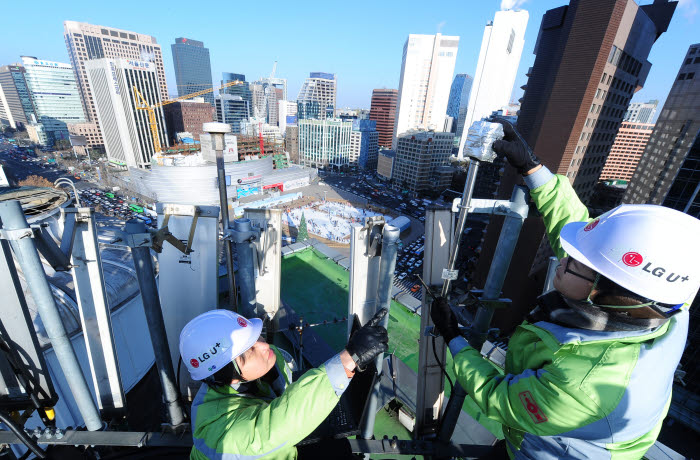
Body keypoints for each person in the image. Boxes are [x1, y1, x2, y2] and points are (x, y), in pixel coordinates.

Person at [431, 119, 700, 460]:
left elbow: (498, 396)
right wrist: (533, 169)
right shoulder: (665, 303)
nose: (559, 259)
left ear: (608, 294)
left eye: (572, 262)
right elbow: (578, 235)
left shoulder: (583, 387)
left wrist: (453, 336)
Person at [180, 308, 389, 459]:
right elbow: (280, 424)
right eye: (248, 351)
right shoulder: (222, 435)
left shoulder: (261, 367)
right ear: (231, 377)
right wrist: (349, 358)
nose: (263, 346)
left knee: (339, 446)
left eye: (256, 337)